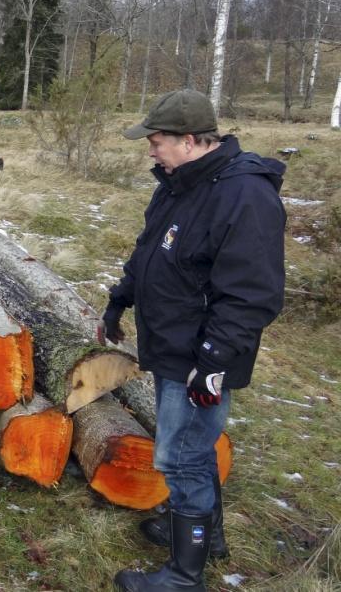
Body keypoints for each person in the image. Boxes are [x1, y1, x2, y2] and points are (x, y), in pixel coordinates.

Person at [98, 89, 286, 591]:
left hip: (200, 353)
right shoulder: (179, 185)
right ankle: (206, 533)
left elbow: (252, 294)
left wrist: (212, 360)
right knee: (189, 448)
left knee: (180, 455)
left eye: (156, 141)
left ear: (189, 140)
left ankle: (184, 575)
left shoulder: (245, 196)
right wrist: (120, 301)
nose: (151, 151)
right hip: (171, 342)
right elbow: (150, 252)